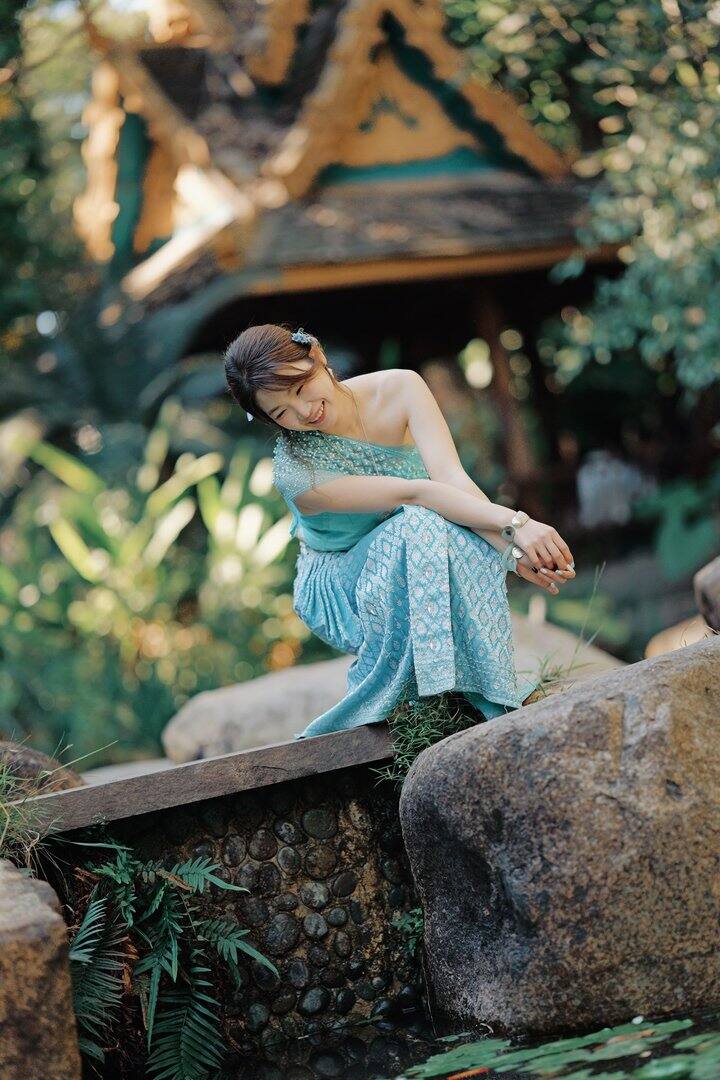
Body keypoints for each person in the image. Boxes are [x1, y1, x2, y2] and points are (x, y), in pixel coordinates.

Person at [224, 323, 576, 740]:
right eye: (281, 413)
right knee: (421, 522)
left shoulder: (401, 387)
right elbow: (419, 493)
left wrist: (511, 553)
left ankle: (480, 684)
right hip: (341, 582)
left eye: (301, 388)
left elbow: (450, 479)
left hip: (415, 538)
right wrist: (518, 525)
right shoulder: (298, 474)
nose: (303, 412)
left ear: (316, 355)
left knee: (438, 525)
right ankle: (439, 694)